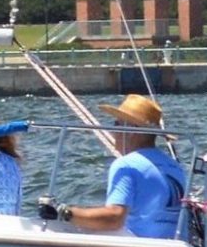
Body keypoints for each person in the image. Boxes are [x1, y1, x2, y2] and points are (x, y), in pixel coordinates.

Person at [41, 93, 186, 239]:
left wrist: (64, 212)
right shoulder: (176, 168)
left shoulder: (126, 165)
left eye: (116, 124)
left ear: (131, 130)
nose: (113, 131)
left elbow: (115, 218)